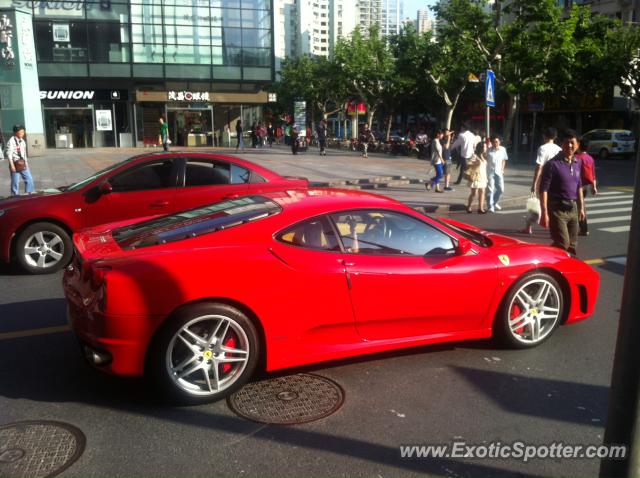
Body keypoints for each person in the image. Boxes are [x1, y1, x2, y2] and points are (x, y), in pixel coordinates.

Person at [539, 129, 585, 256]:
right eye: (566, 143)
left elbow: (579, 186)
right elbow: (543, 189)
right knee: (563, 243)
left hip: (573, 208)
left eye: (572, 142)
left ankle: (566, 267)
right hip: (557, 208)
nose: (569, 145)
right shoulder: (552, 164)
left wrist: (582, 208)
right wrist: (544, 213)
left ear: (577, 145)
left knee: (572, 244)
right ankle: (548, 258)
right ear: (562, 144)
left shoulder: (578, 162)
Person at [522, 127, 562, 234]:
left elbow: (539, 167)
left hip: (544, 180)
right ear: (555, 137)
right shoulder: (559, 149)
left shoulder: (543, 148)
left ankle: (528, 227)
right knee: (553, 205)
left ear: (544, 136)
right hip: (556, 180)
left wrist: (534, 184)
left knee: (536, 204)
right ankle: (556, 229)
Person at [576, 136, 597, 236]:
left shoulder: (577, 158)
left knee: (579, 206)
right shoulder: (590, 158)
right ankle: (583, 228)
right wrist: (594, 187)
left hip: (577, 186)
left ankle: (583, 228)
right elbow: (593, 175)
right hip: (586, 185)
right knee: (581, 204)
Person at [6, 124, 35, 196]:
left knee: (29, 179)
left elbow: (24, 154)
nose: (22, 133)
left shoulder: (22, 141)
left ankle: (29, 194)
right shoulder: (11, 141)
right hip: (15, 164)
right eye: (21, 132)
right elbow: (9, 154)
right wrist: (12, 166)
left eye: (23, 132)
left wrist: (26, 164)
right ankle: (14, 196)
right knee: (15, 182)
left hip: (23, 163)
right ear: (16, 132)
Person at [486, 136, 508, 212]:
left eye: (497, 142)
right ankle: (490, 206)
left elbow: (504, 160)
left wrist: (502, 169)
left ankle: (494, 202)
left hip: (499, 172)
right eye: (494, 142)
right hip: (490, 172)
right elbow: (484, 159)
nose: (495, 143)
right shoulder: (488, 150)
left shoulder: (503, 149)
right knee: (490, 190)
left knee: (501, 189)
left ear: (499, 142)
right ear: (491, 143)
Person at [466, 141, 488, 213]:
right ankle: (469, 206)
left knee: (482, 192)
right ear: (481, 148)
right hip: (476, 177)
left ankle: (480, 208)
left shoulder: (484, 156)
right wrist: (474, 163)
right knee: (474, 193)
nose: (486, 148)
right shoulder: (475, 156)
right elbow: (468, 164)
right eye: (484, 146)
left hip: (483, 177)